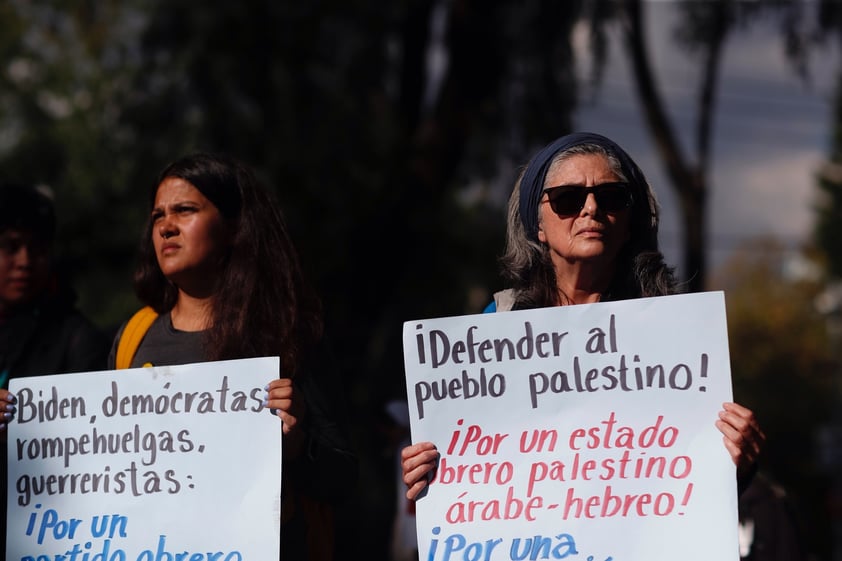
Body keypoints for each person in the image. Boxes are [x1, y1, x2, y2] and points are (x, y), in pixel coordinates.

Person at [400, 131, 766, 500]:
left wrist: (737, 460)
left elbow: (695, 474)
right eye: (568, 199)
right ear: (537, 225)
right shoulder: (498, 323)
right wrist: (429, 473)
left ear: (629, 224)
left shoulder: (674, 330)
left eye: (611, 198)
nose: (590, 209)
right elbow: (469, 461)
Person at [107, 153, 358, 561]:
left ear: (233, 228)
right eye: (157, 216)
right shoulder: (134, 337)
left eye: (185, 210)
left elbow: (343, 478)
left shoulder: (285, 334)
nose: (166, 227)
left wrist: (297, 446)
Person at [0, 182, 110, 554]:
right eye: (11, 246)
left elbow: (93, 452)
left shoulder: (78, 338)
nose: (26, 261)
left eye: (39, 248)